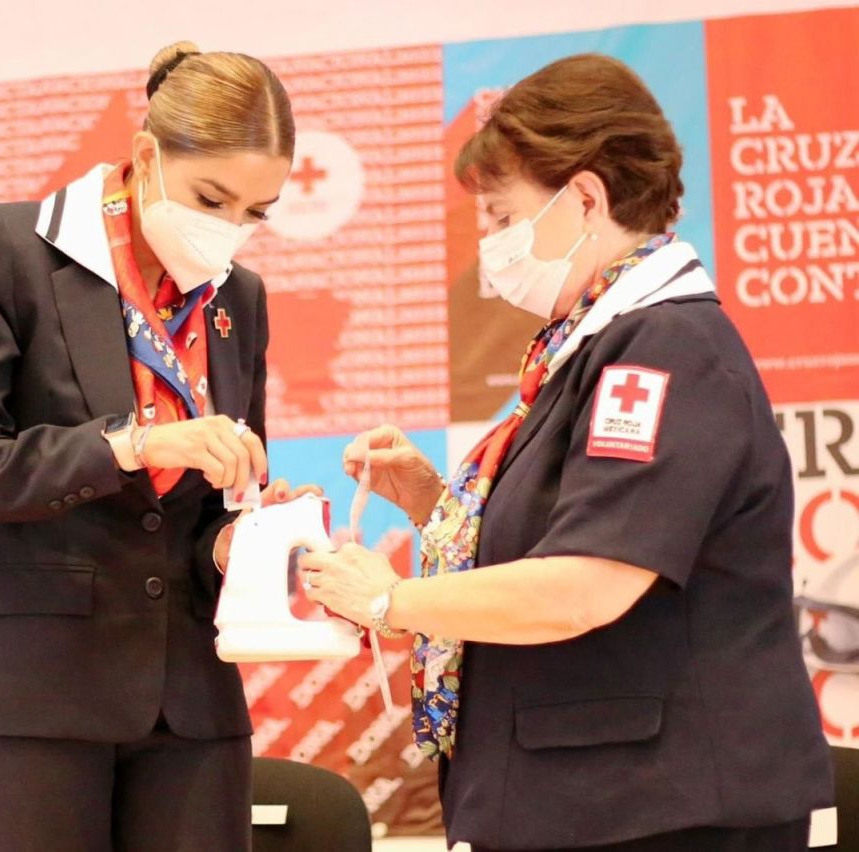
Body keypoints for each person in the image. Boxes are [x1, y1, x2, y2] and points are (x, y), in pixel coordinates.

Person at [300, 54, 834, 852]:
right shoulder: (591, 347)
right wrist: (434, 504)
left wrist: (391, 601)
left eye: (501, 217)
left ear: (586, 197)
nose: (487, 244)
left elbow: (587, 583)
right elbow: (570, 534)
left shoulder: (661, 350)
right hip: (594, 798)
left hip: (658, 808)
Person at [0, 41, 312, 852]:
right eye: (212, 198)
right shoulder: (7, 248)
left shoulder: (239, 297)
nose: (230, 230)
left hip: (190, 707)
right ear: (145, 157)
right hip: (29, 700)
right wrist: (133, 444)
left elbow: (203, 517)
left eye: (256, 213)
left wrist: (242, 540)